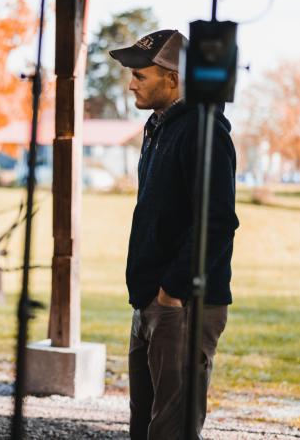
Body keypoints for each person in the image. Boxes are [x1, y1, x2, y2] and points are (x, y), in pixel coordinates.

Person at [109, 30, 239, 439]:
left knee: (171, 429)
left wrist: (172, 292)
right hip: (150, 301)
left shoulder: (203, 130)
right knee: (144, 424)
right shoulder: (159, 126)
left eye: (140, 75)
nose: (131, 83)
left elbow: (217, 222)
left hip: (183, 306)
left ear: (173, 78)